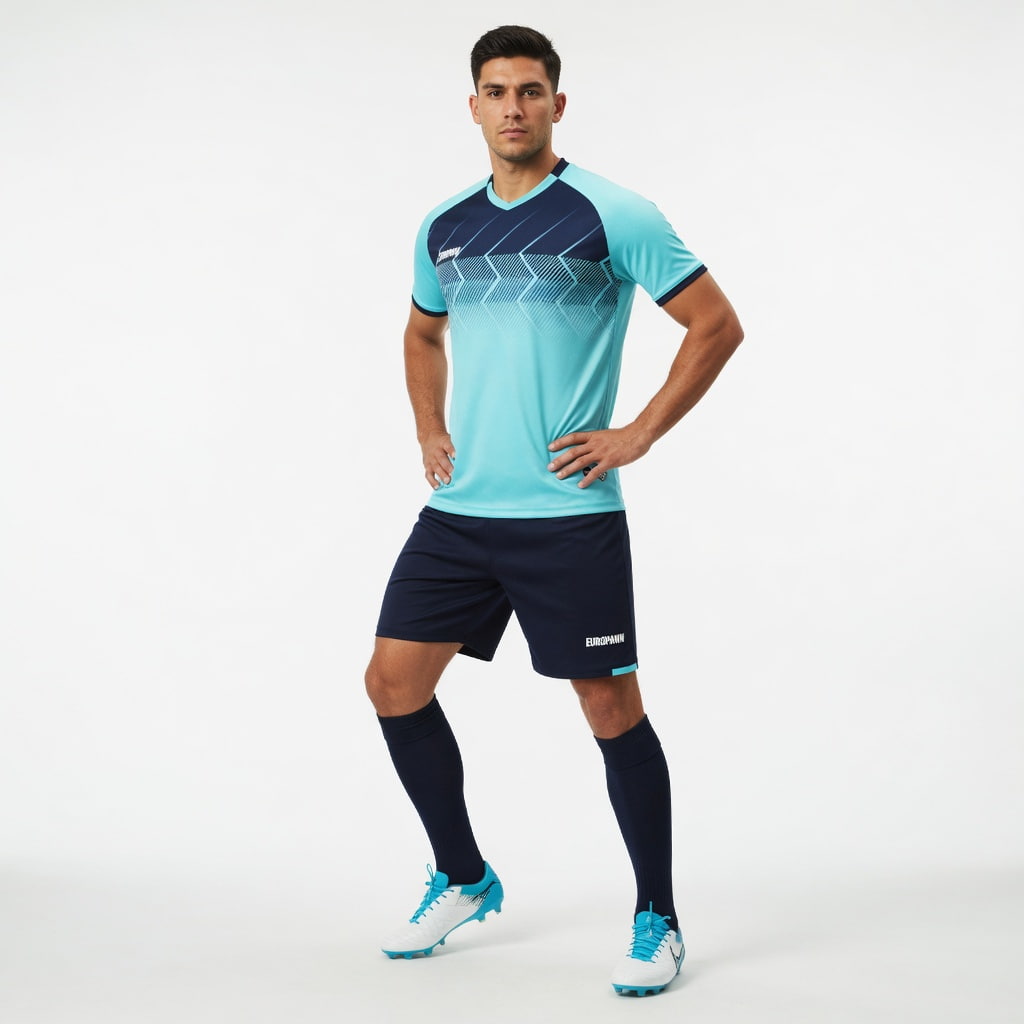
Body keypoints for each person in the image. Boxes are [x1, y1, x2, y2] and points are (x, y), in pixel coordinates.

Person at [364, 24, 743, 997]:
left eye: (530, 90)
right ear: (473, 106)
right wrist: (428, 428)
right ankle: (463, 875)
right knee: (392, 685)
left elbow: (714, 324)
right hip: (461, 515)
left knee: (609, 706)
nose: (514, 107)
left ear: (557, 104)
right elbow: (420, 332)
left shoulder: (611, 213)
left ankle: (657, 917)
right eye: (496, 91)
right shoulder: (444, 225)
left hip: (568, 516)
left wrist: (639, 432)